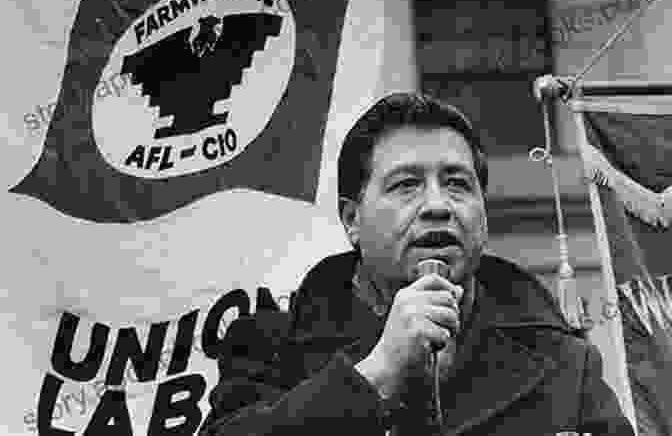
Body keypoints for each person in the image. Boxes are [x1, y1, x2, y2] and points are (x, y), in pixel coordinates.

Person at [199, 92, 634, 435]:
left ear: (484, 214)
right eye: (407, 185)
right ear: (352, 220)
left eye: (458, 184)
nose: (438, 206)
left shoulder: (563, 361)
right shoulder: (269, 348)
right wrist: (374, 376)